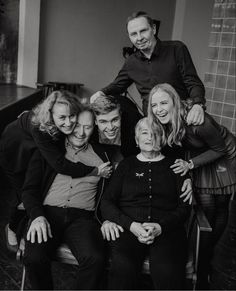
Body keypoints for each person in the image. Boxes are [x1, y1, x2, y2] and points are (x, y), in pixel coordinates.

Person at [148, 83, 236, 289]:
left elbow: (219, 148)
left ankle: (209, 254)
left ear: (175, 102)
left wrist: (190, 164)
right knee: (206, 206)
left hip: (222, 153)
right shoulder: (164, 122)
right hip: (199, 153)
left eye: (163, 103)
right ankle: (204, 255)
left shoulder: (198, 122)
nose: (159, 109)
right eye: (154, 105)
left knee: (221, 205)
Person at [0, 90, 106, 252]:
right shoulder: (40, 128)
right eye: (62, 118)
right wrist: (94, 170)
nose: (69, 123)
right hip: (14, 153)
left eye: (72, 117)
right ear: (50, 114)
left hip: (31, 148)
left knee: (34, 186)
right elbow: (60, 165)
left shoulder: (55, 123)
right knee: (24, 194)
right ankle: (13, 228)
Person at [21, 106, 113, 290]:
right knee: (34, 257)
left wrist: (108, 219)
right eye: (77, 125)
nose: (81, 132)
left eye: (87, 127)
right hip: (47, 213)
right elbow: (29, 190)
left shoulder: (103, 156)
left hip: (83, 218)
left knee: (95, 259)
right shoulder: (49, 150)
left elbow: (111, 193)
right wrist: (37, 216)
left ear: (94, 126)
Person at [100, 117, 191, 290]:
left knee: (167, 271)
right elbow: (107, 202)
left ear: (162, 138)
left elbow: (184, 207)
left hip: (167, 231)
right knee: (123, 269)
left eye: (155, 133)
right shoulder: (126, 165)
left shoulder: (175, 166)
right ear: (136, 139)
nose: (150, 137)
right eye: (144, 133)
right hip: (129, 228)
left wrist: (161, 226)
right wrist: (131, 225)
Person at [90, 11, 206, 124]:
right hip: (153, 123)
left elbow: (192, 82)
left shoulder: (176, 49)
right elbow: (118, 85)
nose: (139, 38)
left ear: (153, 29)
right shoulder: (131, 62)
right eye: (134, 34)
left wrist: (197, 105)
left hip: (181, 118)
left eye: (143, 31)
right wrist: (101, 92)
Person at [91, 94, 141, 159]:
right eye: (103, 122)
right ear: (95, 121)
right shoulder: (90, 130)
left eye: (114, 120)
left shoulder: (134, 123)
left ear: (120, 115)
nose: (110, 127)